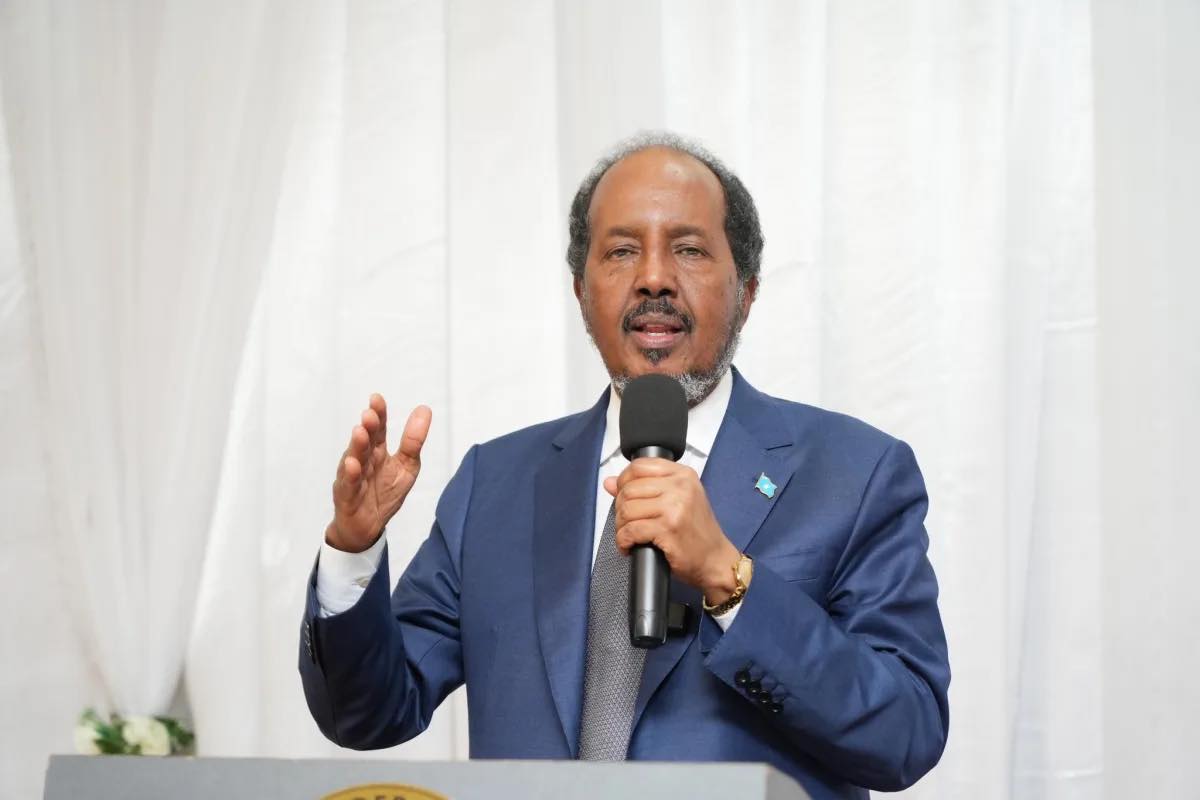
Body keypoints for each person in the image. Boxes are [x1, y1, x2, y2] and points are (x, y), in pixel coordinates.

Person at [299, 133, 950, 800]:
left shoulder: (855, 475)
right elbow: (368, 713)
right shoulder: (494, 484)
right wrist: (353, 548)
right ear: (581, 291)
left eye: (689, 249)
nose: (654, 278)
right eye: (620, 251)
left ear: (747, 290)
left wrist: (732, 581)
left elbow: (905, 733)